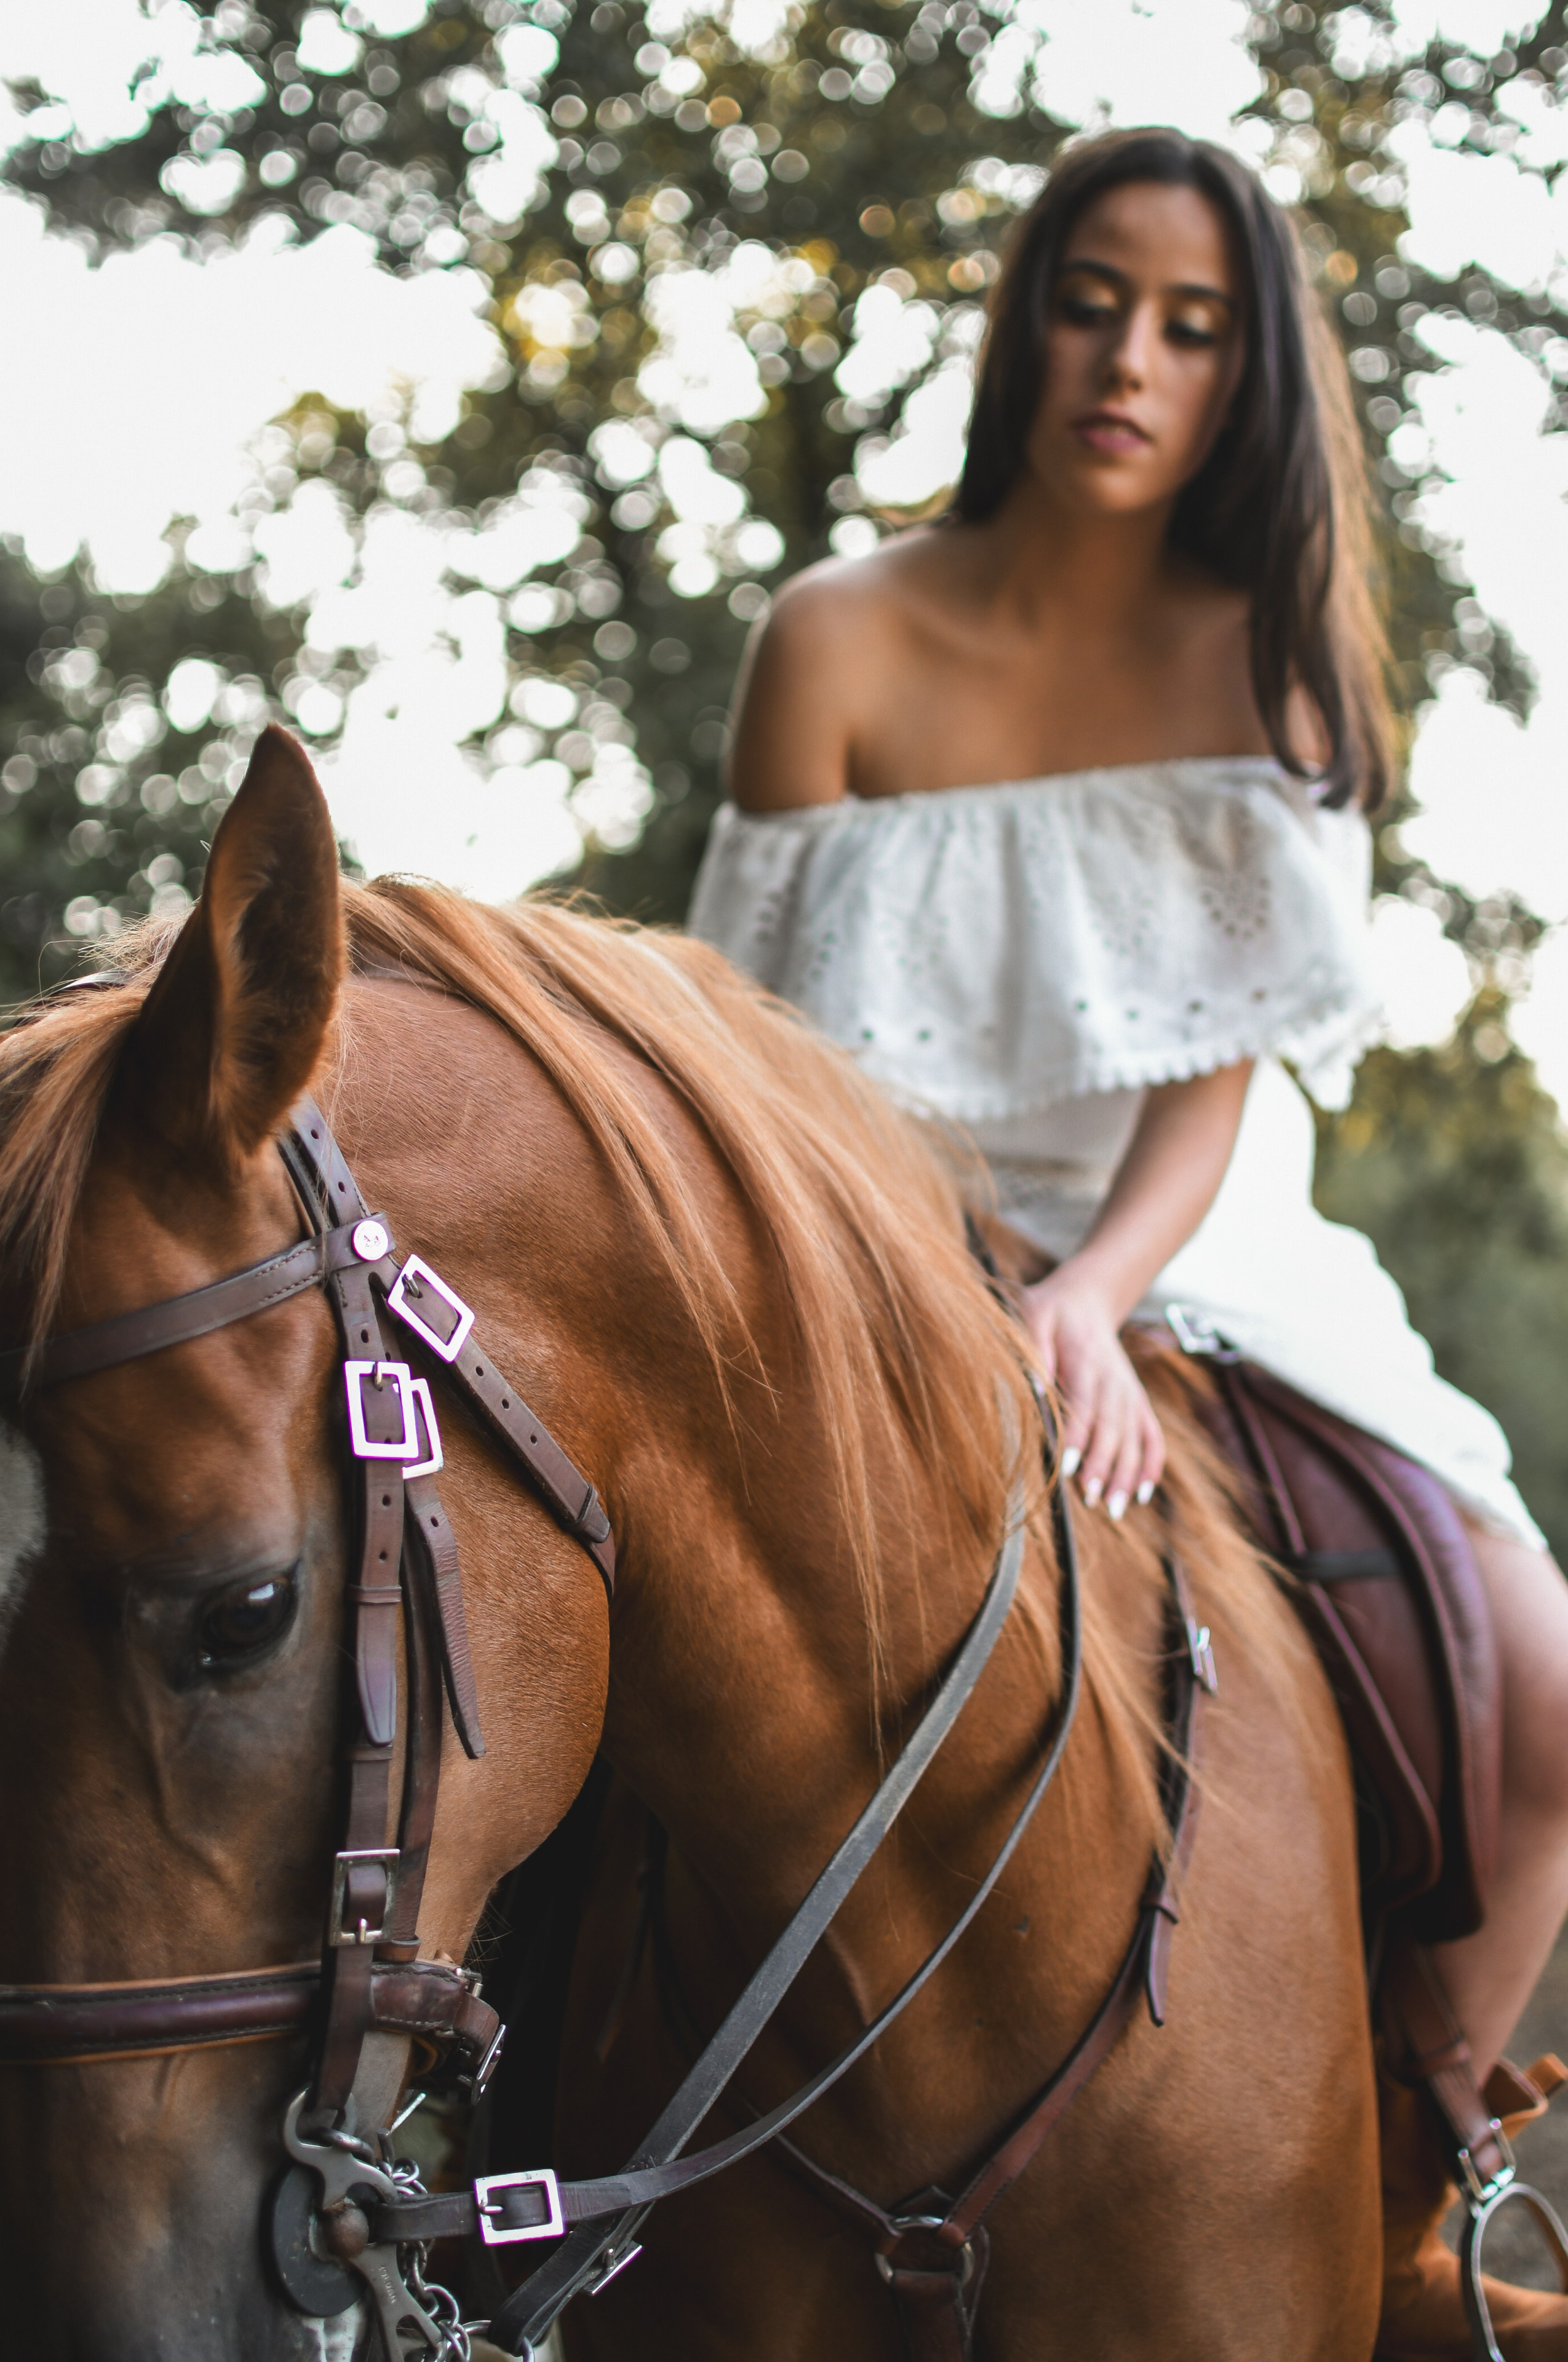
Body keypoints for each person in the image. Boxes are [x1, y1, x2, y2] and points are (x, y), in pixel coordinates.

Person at [687, 126, 1568, 2358]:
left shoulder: (1262, 659)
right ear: (1030, 316)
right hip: (872, 1238)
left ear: (1246, 370)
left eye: (1193, 325)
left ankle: (1411, 2151)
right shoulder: (834, 639)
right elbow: (761, 1041)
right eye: (1096, 297)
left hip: (1196, 1252)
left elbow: (1225, 1074)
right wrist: (943, 1267)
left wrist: (1085, 1294)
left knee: (1553, 1689)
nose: (1134, 358)